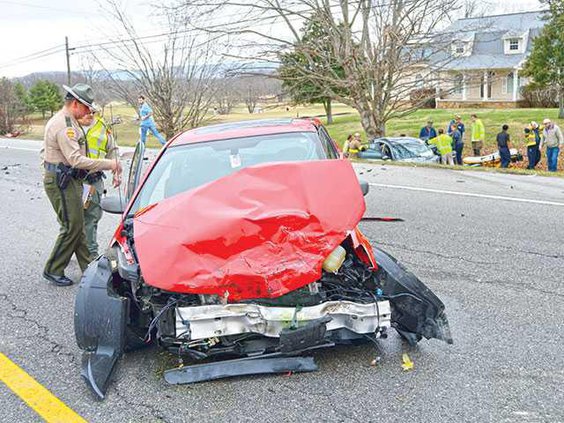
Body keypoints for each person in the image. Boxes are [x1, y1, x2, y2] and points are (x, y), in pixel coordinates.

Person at [41, 83, 122, 286]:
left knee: (78, 227)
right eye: (86, 107)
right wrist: (110, 164)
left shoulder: (71, 122)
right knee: (72, 227)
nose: (89, 111)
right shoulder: (64, 126)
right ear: (75, 104)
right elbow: (76, 159)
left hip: (71, 180)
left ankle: (89, 267)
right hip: (63, 182)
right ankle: (53, 269)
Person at [78, 109, 120, 260]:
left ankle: (90, 252)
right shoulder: (69, 125)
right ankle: (77, 249)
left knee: (92, 216)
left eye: (92, 112)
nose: (89, 114)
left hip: (93, 181)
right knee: (74, 218)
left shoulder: (101, 126)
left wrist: (116, 171)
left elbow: (113, 150)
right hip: (76, 180)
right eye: (86, 111)